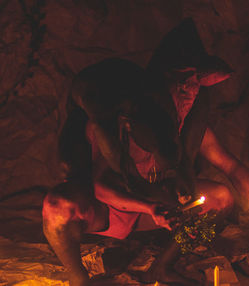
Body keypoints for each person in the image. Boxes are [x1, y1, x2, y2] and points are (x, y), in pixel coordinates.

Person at [42, 58, 235, 286]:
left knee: (223, 199)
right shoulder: (113, 125)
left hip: (150, 212)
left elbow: (231, 166)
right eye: (182, 86)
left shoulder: (186, 125)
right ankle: (79, 280)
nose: (187, 95)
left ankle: (163, 267)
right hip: (111, 210)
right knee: (57, 207)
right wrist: (151, 207)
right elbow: (100, 187)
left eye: (194, 87)